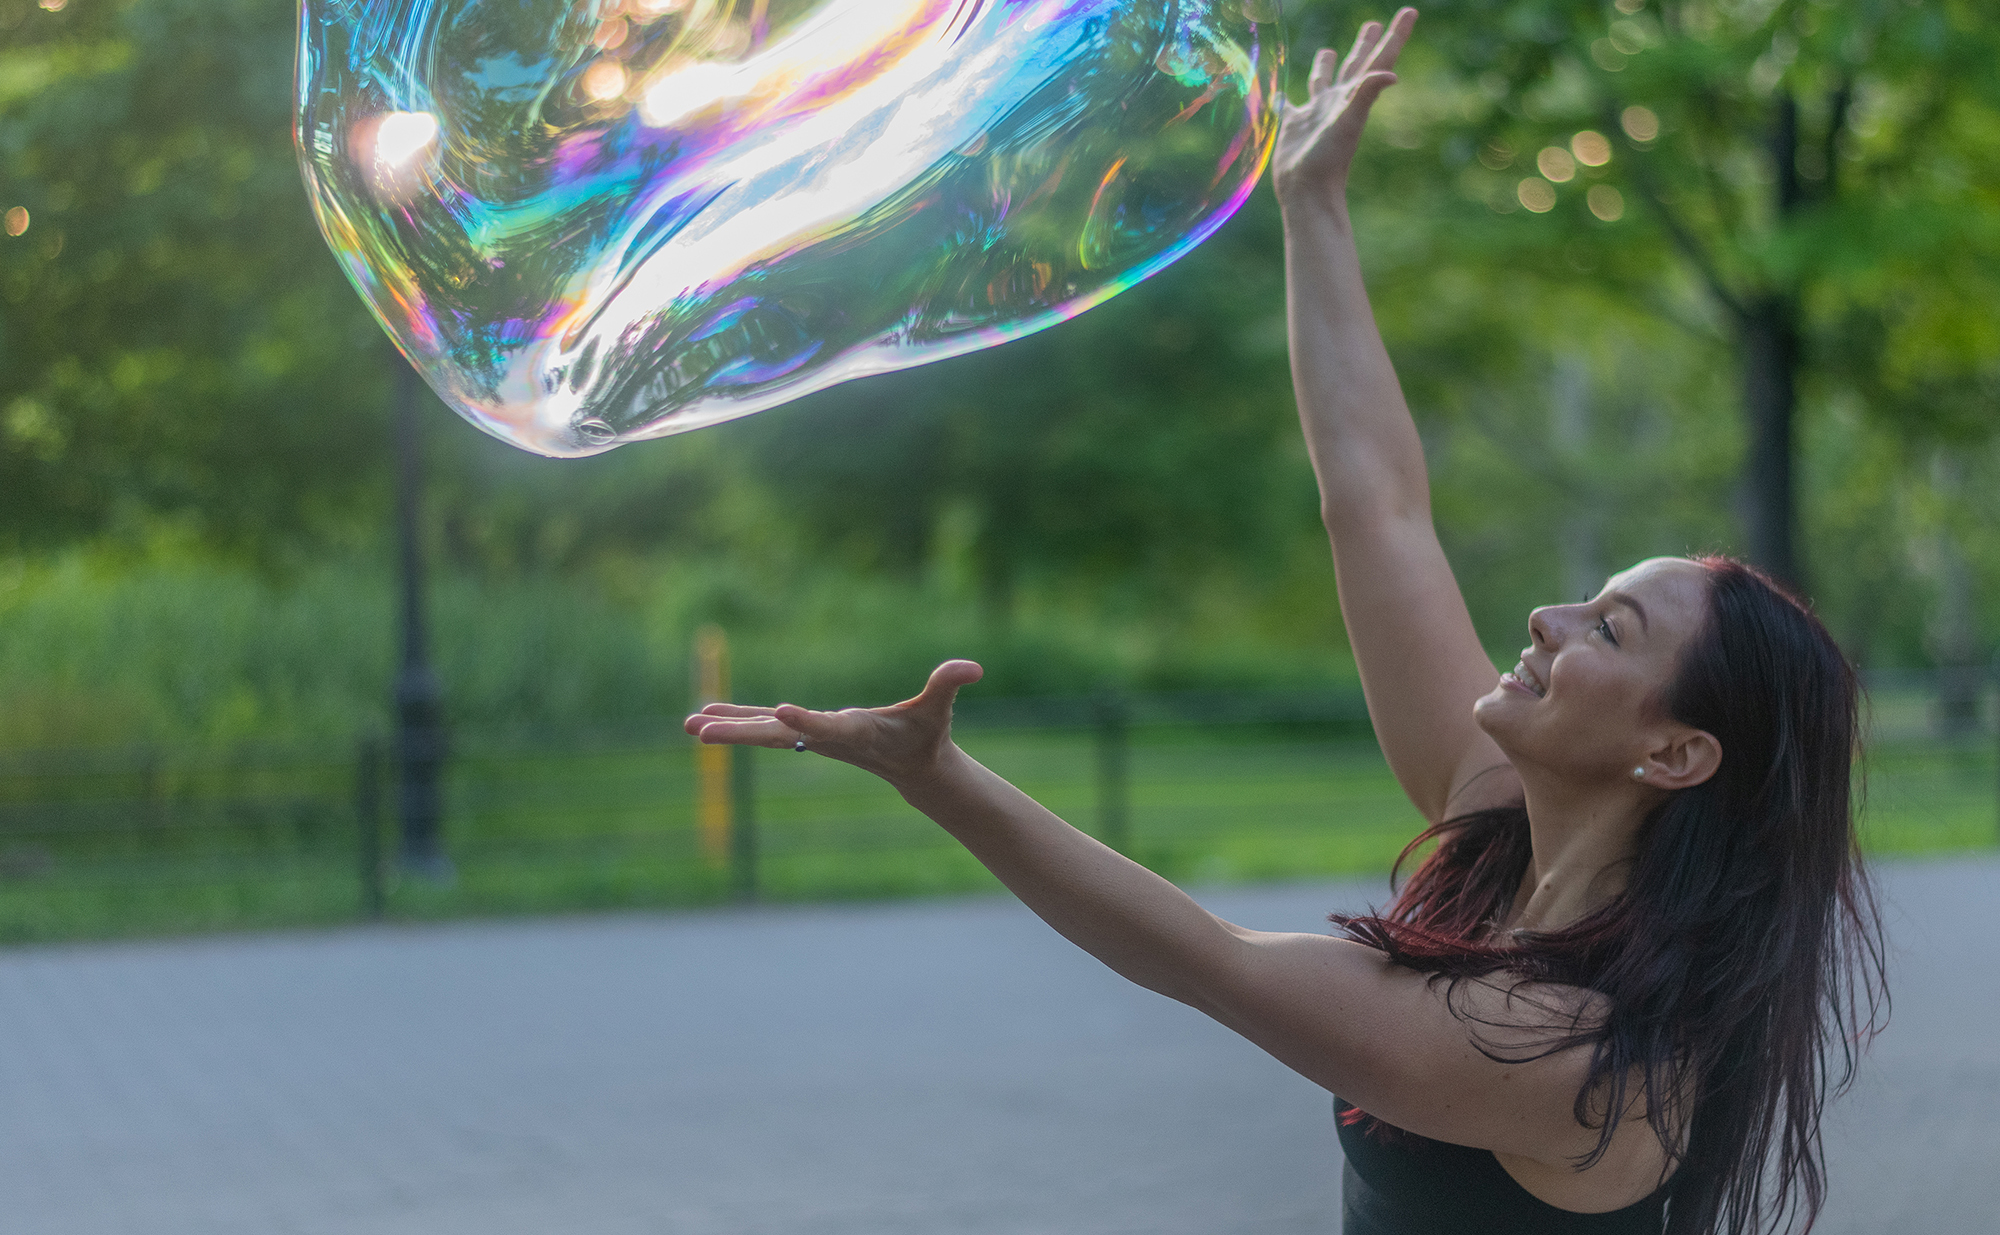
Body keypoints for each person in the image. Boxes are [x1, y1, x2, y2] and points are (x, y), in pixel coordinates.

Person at [686, 10, 1886, 1233]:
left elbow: (1203, 957)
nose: (1544, 615)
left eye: (1610, 630)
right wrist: (1312, 207)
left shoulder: (1581, 1053)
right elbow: (1377, 508)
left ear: (1674, 752)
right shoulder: (1499, 839)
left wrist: (939, 776)